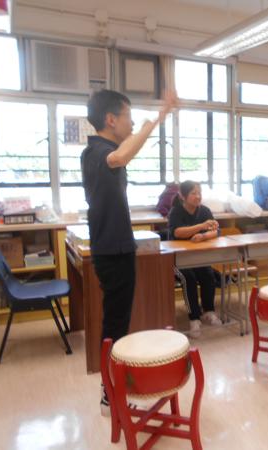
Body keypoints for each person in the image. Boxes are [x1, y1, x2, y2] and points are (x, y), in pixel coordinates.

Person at [82, 89, 177, 415]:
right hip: (112, 250)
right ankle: (110, 395)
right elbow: (121, 157)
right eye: (128, 117)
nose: (132, 123)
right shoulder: (96, 152)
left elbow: (122, 155)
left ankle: (114, 389)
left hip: (117, 247)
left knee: (118, 322)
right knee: (115, 324)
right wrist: (156, 121)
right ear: (111, 119)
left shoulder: (107, 150)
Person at [168, 181, 222, 338]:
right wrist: (201, 226)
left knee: (208, 274)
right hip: (177, 259)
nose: (198, 196)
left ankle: (209, 311)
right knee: (189, 278)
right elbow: (177, 232)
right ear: (183, 196)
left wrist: (204, 236)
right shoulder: (176, 212)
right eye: (194, 193)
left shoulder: (204, 210)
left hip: (197, 257)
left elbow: (216, 231)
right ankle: (194, 318)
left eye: (199, 193)